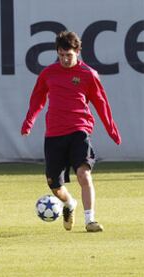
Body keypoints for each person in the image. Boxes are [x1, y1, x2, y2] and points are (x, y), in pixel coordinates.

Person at [21, 31, 121, 233]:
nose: (65, 59)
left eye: (69, 55)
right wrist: (28, 122)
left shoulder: (88, 74)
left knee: (84, 174)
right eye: (61, 55)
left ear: (77, 52)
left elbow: (101, 103)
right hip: (54, 134)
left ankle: (90, 220)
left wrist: (112, 130)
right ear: (57, 53)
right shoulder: (48, 73)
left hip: (79, 130)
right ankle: (69, 203)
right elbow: (37, 99)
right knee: (55, 186)